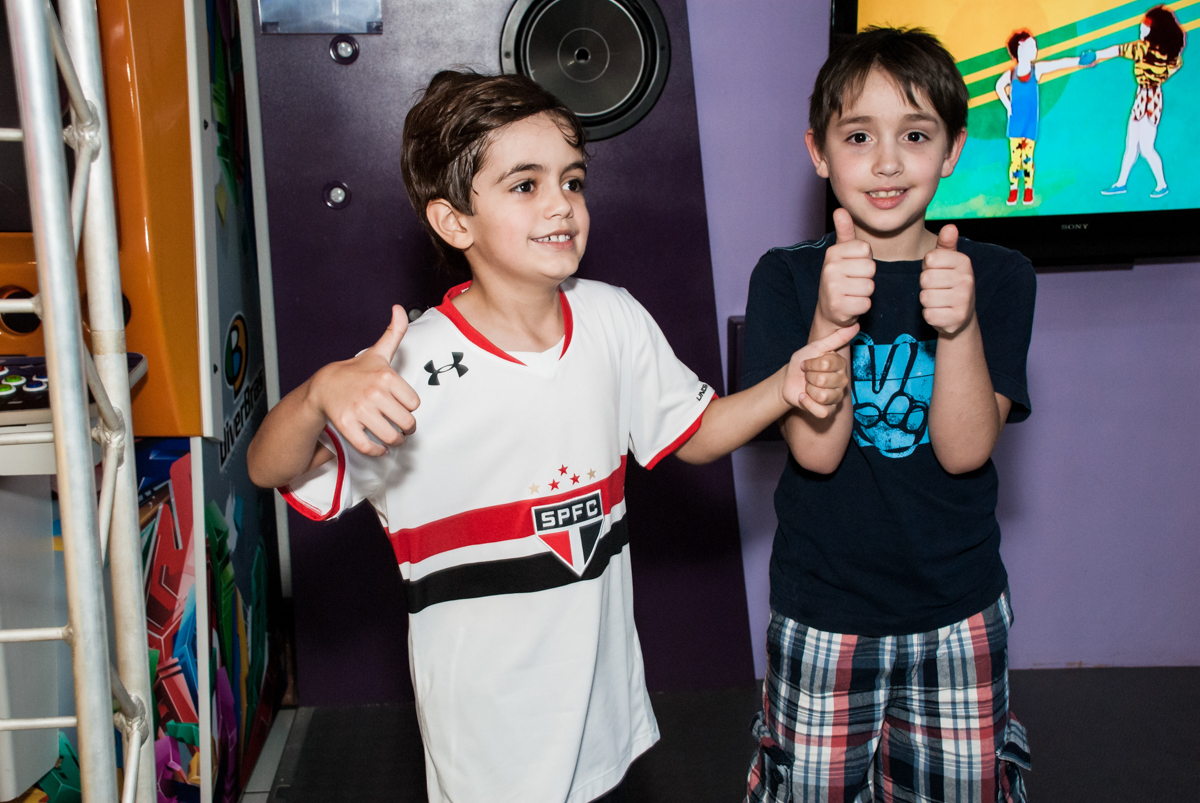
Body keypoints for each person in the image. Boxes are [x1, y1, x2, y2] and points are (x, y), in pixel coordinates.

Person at [246, 70, 856, 803]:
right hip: (488, 753)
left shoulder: (612, 318)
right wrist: (317, 394)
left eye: (573, 180)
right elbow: (268, 467)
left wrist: (784, 387)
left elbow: (693, 430)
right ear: (453, 222)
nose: (562, 205)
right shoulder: (407, 368)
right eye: (525, 185)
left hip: (603, 725)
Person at [740, 28, 1036, 803]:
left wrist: (959, 324)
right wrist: (827, 325)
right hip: (823, 612)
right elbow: (818, 453)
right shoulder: (785, 276)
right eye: (859, 135)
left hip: (959, 610)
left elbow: (968, 448)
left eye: (914, 135)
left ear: (952, 151)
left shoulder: (1000, 276)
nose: (885, 161)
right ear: (819, 152)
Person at [994, 31, 1095, 206]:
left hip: (1030, 125)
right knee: (1015, 160)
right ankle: (1013, 191)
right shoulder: (1011, 75)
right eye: (1031, 45)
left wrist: (1079, 61)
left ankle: (1028, 191)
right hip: (1016, 125)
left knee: (1028, 159)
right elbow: (999, 86)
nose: (1035, 49)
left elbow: (1058, 64)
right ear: (1019, 48)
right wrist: (1008, 105)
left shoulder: (1036, 70)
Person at [1095, 5, 1186, 198]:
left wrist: (1095, 56)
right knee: (1132, 145)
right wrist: (1160, 77)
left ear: (1155, 29)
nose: (1141, 27)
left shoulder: (1142, 48)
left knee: (1145, 148)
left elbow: (1117, 50)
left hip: (1147, 99)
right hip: (1151, 96)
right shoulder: (1171, 54)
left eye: (1145, 25)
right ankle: (1121, 183)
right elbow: (1176, 65)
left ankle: (1161, 185)